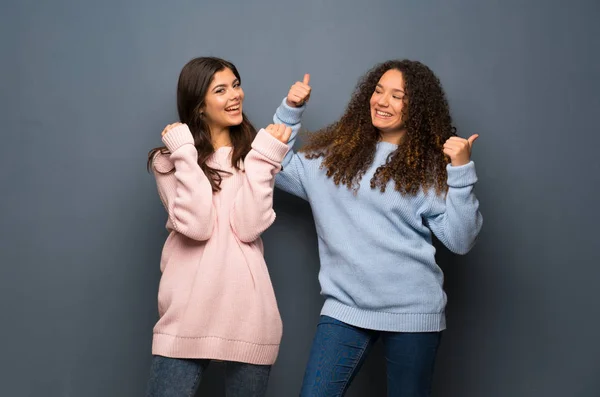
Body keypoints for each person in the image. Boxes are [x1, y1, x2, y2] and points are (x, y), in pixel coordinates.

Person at [273, 60, 483, 397]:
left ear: (417, 109)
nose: (382, 101)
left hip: (412, 314)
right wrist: (290, 111)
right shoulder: (334, 158)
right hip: (345, 309)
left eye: (397, 96)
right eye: (378, 90)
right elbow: (275, 165)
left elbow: (460, 240)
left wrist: (460, 173)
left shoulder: (427, 168)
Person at [145, 56, 292, 397]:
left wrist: (262, 160)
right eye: (221, 90)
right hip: (186, 314)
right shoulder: (168, 161)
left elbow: (247, 226)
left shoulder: (255, 155)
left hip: (250, 315)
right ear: (198, 106)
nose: (235, 95)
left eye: (236, 85)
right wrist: (184, 153)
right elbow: (197, 226)